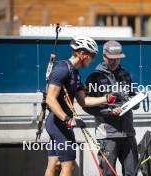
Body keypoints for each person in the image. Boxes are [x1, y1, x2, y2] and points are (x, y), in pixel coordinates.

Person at [44, 36, 118, 176]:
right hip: (58, 123)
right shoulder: (62, 69)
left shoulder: (75, 73)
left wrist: (106, 98)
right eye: (92, 55)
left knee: (53, 165)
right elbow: (50, 99)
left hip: (60, 123)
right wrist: (67, 119)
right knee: (69, 165)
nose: (93, 59)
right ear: (81, 54)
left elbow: (83, 101)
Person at [83, 40, 139, 176]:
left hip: (128, 133)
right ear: (104, 56)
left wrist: (135, 101)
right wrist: (108, 111)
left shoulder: (125, 75)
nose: (114, 62)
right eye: (111, 59)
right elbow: (86, 105)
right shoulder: (94, 77)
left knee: (132, 172)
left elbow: (134, 98)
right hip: (107, 136)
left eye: (117, 59)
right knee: (108, 173)